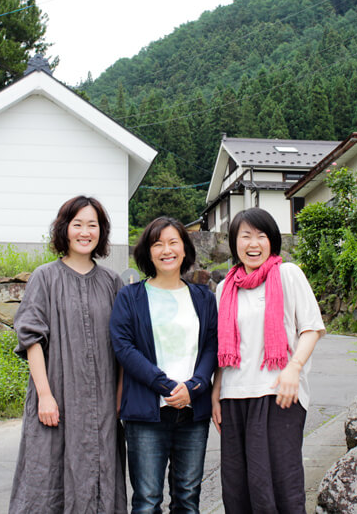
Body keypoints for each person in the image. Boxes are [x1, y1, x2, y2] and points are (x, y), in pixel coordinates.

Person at [9, 195, 126, 513]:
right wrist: (45, 396)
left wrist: (118, 398)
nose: (85, 232)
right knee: (48, 477)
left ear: (101, 232)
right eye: (78, 224)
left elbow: (123, 346)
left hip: (102, 404)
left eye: (93, 225)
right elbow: (31, 340)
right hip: (57, 397)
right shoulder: (44, 277)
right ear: (64, 229)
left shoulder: (112, 282)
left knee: (100, 475)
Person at [211, 207, 325, 513]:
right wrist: (216, 393)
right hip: (234, 396)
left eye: (261, 236)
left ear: (271, 240)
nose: (253, 243)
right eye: (245, 236)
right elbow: (224, 348)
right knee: (238, 489)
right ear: (234, 242)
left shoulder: (287, 275)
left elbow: (311, 328)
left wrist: (294, 368)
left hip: (279, 393)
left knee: (279, 484)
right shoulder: (224, 288)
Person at [110, 217, 218, 513]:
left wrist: (195, 386)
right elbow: (124, 347)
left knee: (187, 499)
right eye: (158, 244)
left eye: (173, 242)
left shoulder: (203, 297)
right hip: (147, 413)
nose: (166, 250)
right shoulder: (130, 297)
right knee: (146, 501)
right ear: (148, 251)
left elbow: (211, 345)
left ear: (185, 250)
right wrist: (166, 385)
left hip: (193, 413)